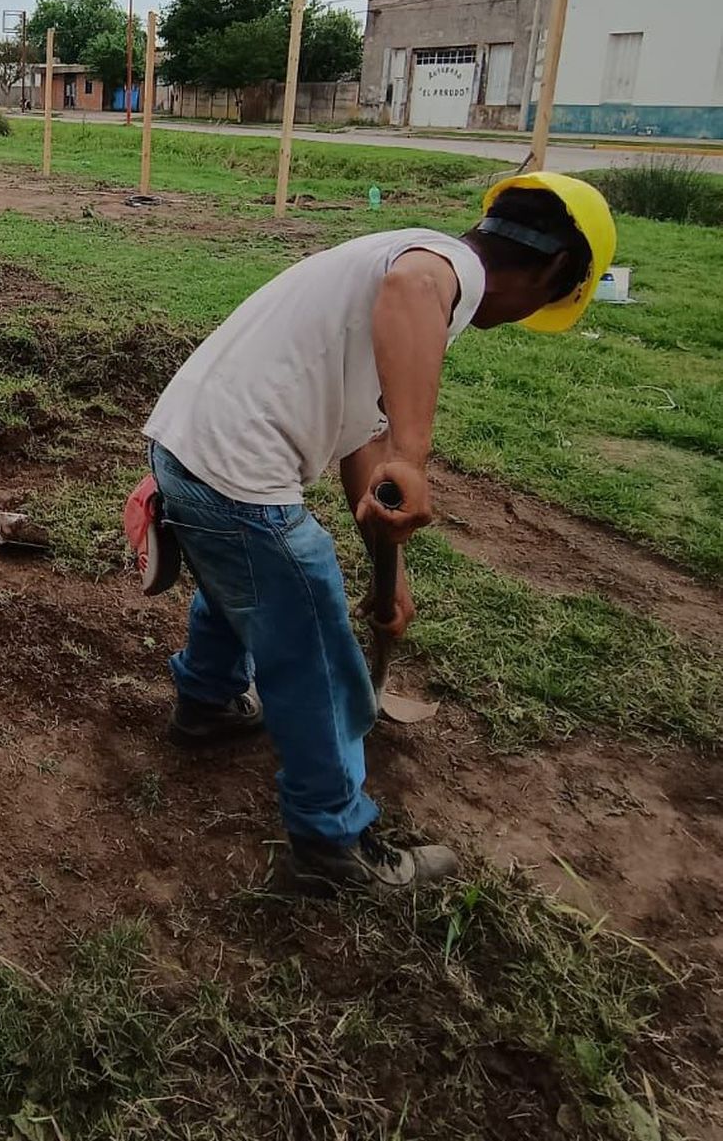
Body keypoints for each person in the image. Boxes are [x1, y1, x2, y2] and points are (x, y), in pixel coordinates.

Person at [142, 172, 616, 893]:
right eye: (543, 304)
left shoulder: (392, 260)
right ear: (554, 270)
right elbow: (414, 292)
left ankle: (207, 703)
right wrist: (413, 452)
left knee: (243, 576)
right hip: (233, 467)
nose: (523, 316)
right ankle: (334, 843)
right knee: (314, 640)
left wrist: (389, 571)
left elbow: (359, 446)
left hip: (187, 449)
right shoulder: (441, 267)